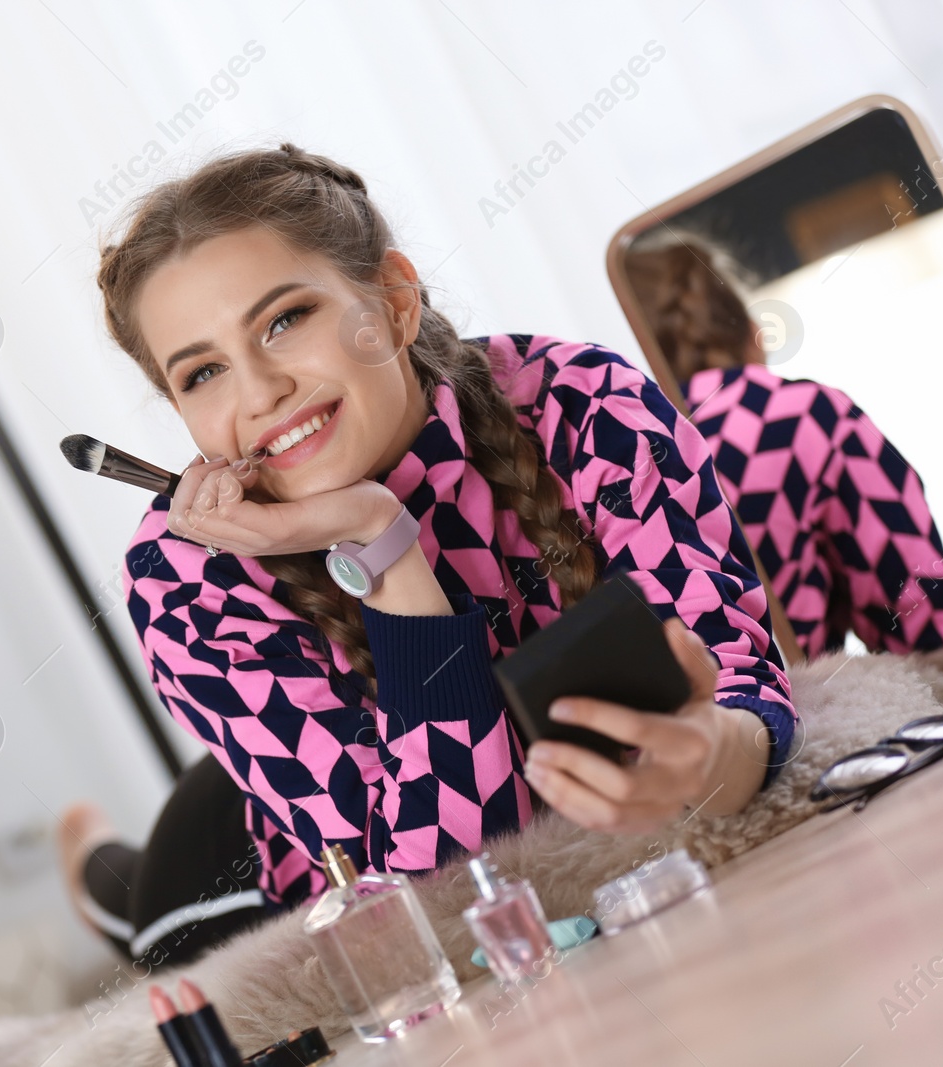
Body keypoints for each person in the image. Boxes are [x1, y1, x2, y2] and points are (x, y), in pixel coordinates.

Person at [57, 143, 792, 965]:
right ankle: (94, 863)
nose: (259, 392)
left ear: (396, 300)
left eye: (284, 319)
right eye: (202, 373)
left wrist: (716, 754)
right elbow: (446, 889)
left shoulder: (584, 406)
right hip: (240, 859)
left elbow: (736, 683)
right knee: (125, 900)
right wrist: (384, 543)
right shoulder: (183, 576)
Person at [626, 234, 943, 673]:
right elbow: (923, 611)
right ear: (749, 329)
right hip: (789, 725)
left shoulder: (621, 450)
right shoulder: (797, 415)